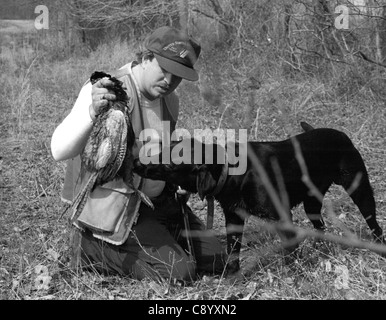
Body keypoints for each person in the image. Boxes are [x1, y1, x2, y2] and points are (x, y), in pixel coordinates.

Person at [51, 26, 226, 283]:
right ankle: (91, 249)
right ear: (145, 58)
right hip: (114, 208)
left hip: (157, 202)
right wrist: (91, 112)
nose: (169, 81)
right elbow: (58, 150)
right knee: (180, 272)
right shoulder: (107, 90)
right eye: (164, 70)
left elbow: (160, 154)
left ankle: (157, 236)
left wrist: (180, 178)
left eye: (177, 76)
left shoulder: (170, 101)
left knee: (218, 259)